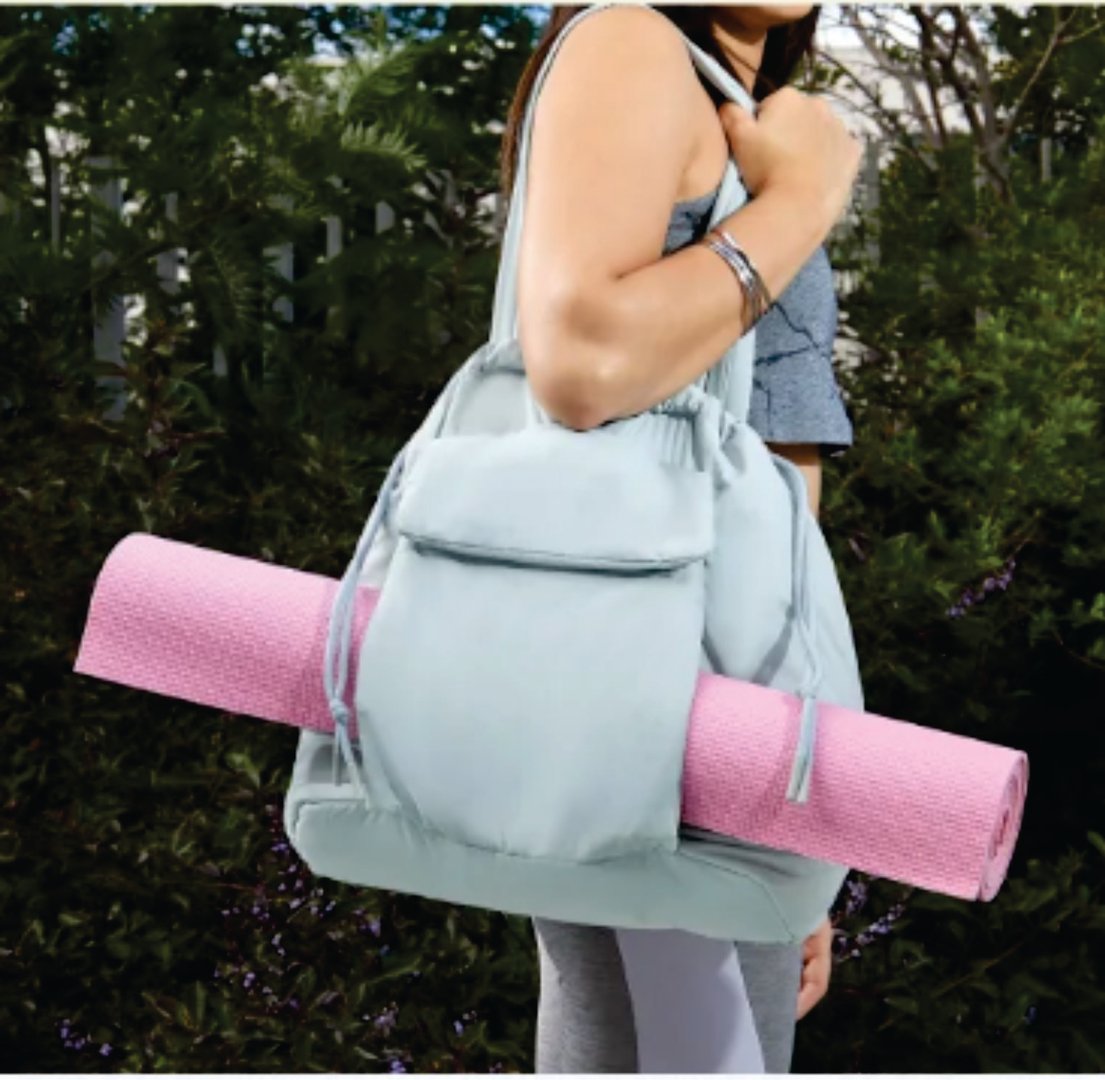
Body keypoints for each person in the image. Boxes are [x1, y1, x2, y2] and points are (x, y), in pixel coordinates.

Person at [497, 2, 863, 1072]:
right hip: (646, 692)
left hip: (729, 706)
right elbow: (577, 359)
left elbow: (778, 488)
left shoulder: (735, 103)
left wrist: (796, 816)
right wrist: (802, 196)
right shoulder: (632, 43)